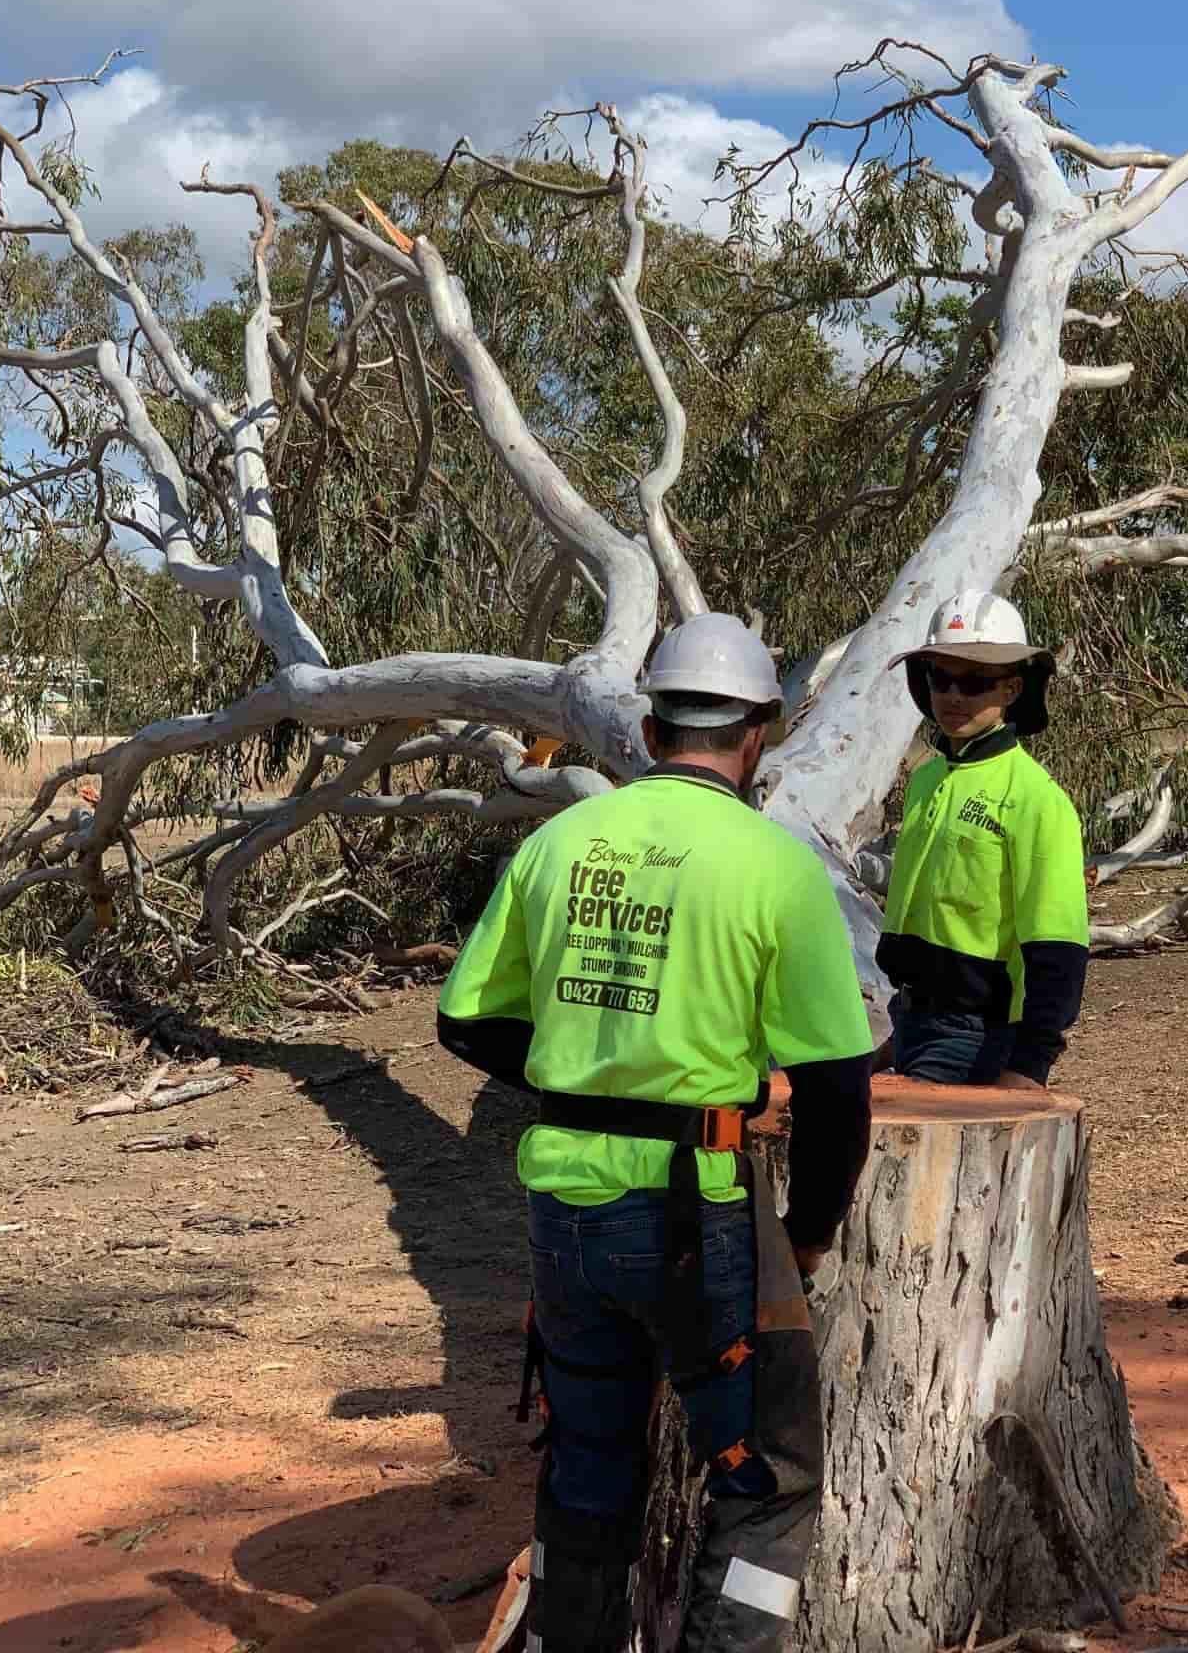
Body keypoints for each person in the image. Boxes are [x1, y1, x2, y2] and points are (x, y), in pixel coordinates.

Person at [437, 612, 873, 1653]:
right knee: (768, 1483)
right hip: (699, 1215)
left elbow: (464, 1021)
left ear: (652, 724)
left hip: (564, 1216)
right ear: (759, 730)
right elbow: (839, 1085)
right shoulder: (773, 867)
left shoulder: (559, 843)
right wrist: (807, 1232)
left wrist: (587, 1080)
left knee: (591, 1461)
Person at [876, 590, 1089, 1088]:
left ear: (1012, 688)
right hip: (909, 1019)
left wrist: (1029, 1067)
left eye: (974, 682)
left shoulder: (1037, 799)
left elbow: (1058, 948)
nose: (953, 695)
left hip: (978, 1035)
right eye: (940, 677)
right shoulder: (927, 779)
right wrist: (899, 1035)